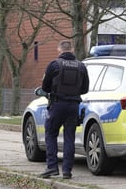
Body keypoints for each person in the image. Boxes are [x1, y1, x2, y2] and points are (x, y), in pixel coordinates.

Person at [39, 40, 89, 179]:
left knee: (50, 134)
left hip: (57, 104)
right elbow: (85, 89)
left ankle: (52, 167)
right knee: (69, 138)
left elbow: (45, 87)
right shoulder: (81, 66)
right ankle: (67, 171)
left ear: (59, 50)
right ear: (72, 50)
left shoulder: (54, 65)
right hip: (73, 106)